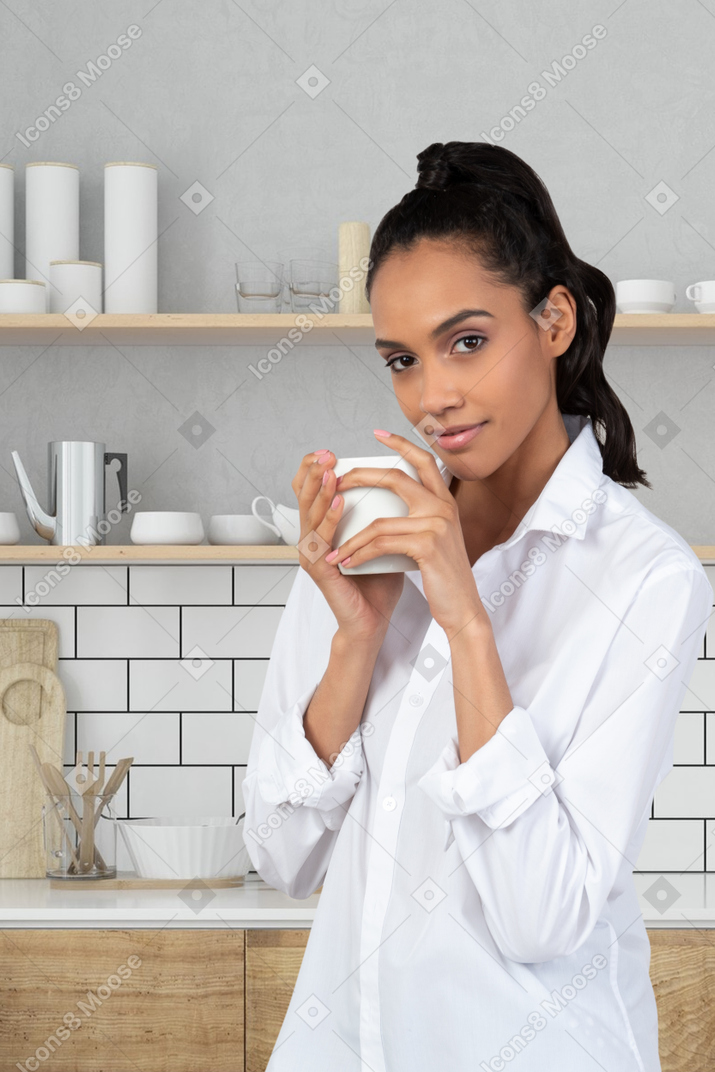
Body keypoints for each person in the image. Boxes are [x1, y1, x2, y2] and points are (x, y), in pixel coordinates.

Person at [242, 140, 712, 1072]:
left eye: (466, 342)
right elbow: (281, 857)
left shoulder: (644, 578)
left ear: (552, 321)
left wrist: (463, 620)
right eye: (400, 360)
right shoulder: (363, 541)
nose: (433, 397)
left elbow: (544, 919)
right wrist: (357, 636)